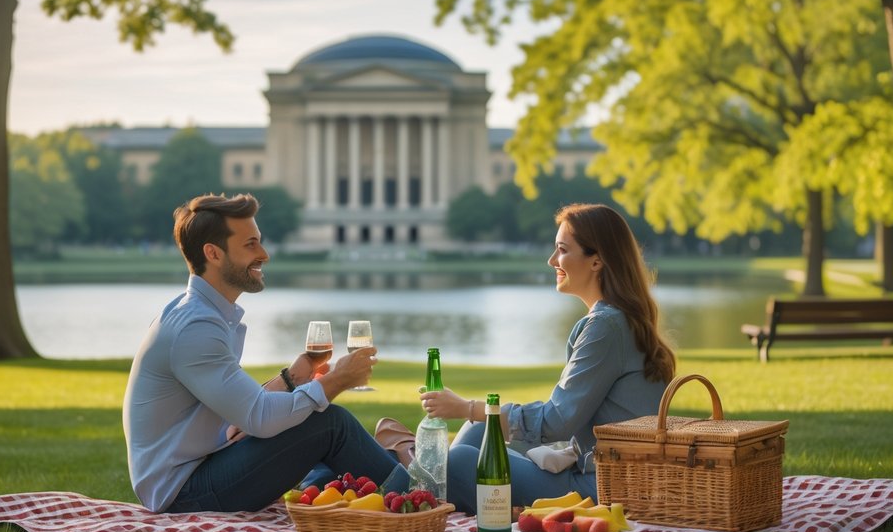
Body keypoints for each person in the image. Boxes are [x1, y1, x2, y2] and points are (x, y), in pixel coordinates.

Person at [122, 193, 408, 513]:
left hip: (204, 464)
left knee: (329, 460)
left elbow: (240, 411)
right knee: (329, 424)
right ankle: (417, 496)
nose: (264, 255)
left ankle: (390, 471)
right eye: (251, 245)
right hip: (183, 491)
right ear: (213, 254)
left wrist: (292, 377)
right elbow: (259, 418)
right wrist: (338, 379)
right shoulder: (195, 328)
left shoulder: (200, 313)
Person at [417, 203, 676, 514]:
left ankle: (409, 498)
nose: (552, 260)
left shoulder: (605, 327)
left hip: (606, 487)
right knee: (477, 433)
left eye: (562, 250)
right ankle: (445, 496)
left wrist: (465, 407)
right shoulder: (617, 319)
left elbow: (556, 422)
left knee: (458, 461)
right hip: (602, 470)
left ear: (597, 260)